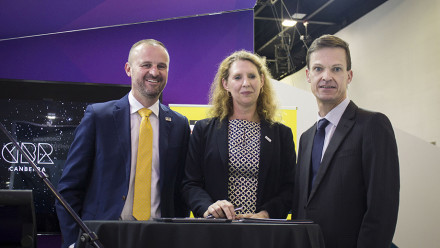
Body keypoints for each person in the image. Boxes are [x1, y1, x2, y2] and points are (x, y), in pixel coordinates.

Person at [56, 39, 190, 247]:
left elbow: (181, 191)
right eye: (146, 65)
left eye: (161, 66)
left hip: (160, 239)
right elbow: (69, 190)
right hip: (103, 238)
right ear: (128, 69)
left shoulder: (179, 125)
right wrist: (75, 242)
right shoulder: (98, 116)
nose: (154, 72)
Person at [292, 34, 399, 248]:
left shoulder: (372, 125)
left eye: (337, 69)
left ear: (349, 76)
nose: (327, 76)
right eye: (318, 69)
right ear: (308, 75)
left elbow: (382, 207)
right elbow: (301, 205)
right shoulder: (306, 137)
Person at [182, 50, 295, 220]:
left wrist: (265, 214)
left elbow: (290, 187)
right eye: (237, 77)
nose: (246, 83)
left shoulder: (282, 134)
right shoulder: (203, 130)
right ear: (225, 84)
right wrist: (209, 207)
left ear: (262, 81)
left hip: (264, 233)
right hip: (216, 231)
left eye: (252, 76)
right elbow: (190, 184)